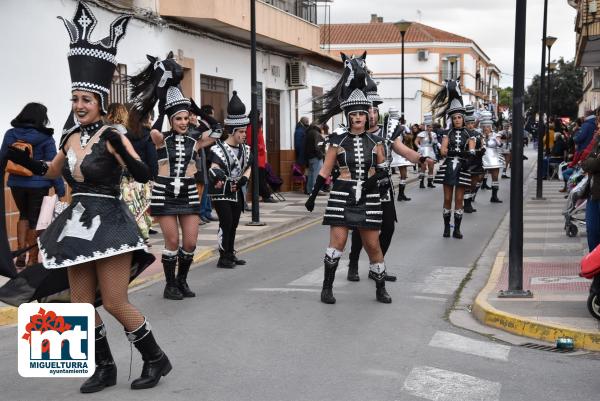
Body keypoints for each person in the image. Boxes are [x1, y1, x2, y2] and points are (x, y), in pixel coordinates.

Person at [6, 3, 169, 392]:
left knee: (114, 302)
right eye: (75, 99)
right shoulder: (69, 138)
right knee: (80, 306)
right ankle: (104, 367)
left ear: (99, 102)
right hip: (77, 224)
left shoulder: (113, 135)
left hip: (110, 223)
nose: (79, 106)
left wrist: (138, 147)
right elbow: (51, 174)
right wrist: (13, 155)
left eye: (86, 100)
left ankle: (155, 358)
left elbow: (144, 174)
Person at [135, 57, 219, 301]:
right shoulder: (162, 139)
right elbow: (153, 131)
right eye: (178, 119)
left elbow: (217, 130)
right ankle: (169, 284)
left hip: (189, 193)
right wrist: (164, 108)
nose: (183, 122)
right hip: (164, 193)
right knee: (172, 240)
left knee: (190, 243)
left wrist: (195, 108)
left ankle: (182, 280)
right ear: (171, 120)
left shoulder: (195, 140)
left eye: (185, 118)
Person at [305, 79, 393, 304]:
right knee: (338, 244)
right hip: (341, 196)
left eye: (361, 114)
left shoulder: (377, 141)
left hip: (370, 197)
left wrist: (375, 185)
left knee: (373, 245)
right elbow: (325, 170)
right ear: (348, 116)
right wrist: (313, 197)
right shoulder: (336, 141)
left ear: (367, 115)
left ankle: (380, 288)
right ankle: (327, 288)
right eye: (353, 114)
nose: (357, 118)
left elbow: (384, 170)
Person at [347, 85, 426, 283]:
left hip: (383, 186)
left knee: (388, 227)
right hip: (363, 186)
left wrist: (422, 158)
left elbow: (404, 151)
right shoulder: (355, 134)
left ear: (377, 112)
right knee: (359, 227)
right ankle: (353, 263)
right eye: (368, 111)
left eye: (374, 111)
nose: (372, 115)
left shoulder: (388, 132)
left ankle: (377, 266)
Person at [0, 103, 66, 269]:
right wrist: (60, 188)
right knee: (35, 220)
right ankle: (32, 259)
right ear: (42, 118)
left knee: (23, 215)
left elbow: (3, 157)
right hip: (39, 184)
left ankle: (21, 253)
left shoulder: (11, 134)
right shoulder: (45, 137)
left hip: (16, 183)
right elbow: (53, 166)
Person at [208, 92, 252, 269]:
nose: (244, 135)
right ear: (233, 132)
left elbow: (249, 166)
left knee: (234, 223)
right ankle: (222, 257)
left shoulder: (245, 149)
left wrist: (244, 180)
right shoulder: (218, 149)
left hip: (237, 189)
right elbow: (214, 167)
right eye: (241, 132)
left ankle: (230, 253)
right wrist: (218, 175)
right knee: (225, 222)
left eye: (245, 131)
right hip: (222, 191)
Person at [432, 80, 475, 238]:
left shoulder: (469, 134)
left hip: (462, 168)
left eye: (459, 117)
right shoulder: (447, 133)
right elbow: (443, 151)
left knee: (458, 199)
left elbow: (471, 151)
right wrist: (454, 152)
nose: (457, 120)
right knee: (447, 198)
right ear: (452, 119)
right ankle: (446, 228)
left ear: (463, 118)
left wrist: (466, 153)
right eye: (454, 117)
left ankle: (457, 229)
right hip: (449, 167)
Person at [247, 109, 277, 203]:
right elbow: (250, 142)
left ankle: (264, 195)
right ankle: (266, 196)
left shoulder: (256, 126)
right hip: (257, 156)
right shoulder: (251, 127)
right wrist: (260, 147)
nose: (260, 117)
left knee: (261, 177)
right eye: (259, 115)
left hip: (260, 156)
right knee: (260, 178)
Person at [389, 107, 416, 201]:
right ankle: (393, 194)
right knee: (387, 175)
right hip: (392, 152)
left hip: (399, 151)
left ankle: (401, 194)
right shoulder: (389, 128)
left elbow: (409, 135)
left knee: (403, 174)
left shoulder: (400, 127)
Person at [463, 104, 485, 213]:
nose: (471, 125)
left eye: (472, 123)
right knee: (467, 182)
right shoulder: (463, 134)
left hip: (477, 160)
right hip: (467, 160)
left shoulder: (478, 133)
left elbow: (481, 144)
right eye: (468, 123)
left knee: (475, 181)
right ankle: (466, 204)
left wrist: (482, 149)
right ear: (465, 124)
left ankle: (469, 200)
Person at [480, 112, 504, 203]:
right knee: (479, 178)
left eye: (487, 126)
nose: (486, 128)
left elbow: (499, 144)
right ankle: (471, 197)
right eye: (484, 126)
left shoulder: (496, 135)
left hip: (493, 158)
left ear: (490, 127)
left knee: (495, 178)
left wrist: (495, 139)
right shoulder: (479, 135)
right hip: (482, 158)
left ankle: (494, 197)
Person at [415, 113, 438, 189]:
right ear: (425, 126)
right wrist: (419, 147)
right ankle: (421, 183)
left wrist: (439, 145)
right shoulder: (421, 134)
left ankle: (430, 182)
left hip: (430, 150)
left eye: (431, 127)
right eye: (428, 127)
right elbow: (416, 141)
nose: (430, 128)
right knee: (423, 167)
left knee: (431, 167)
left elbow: (435, 142)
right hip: (423, 150)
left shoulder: (434, 134)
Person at [304, 123, 325, 193]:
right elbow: (318, 146)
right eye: (322, 124)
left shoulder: (309, 132)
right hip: (316, 157)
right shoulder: (316, 133)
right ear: (317, 125)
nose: (322, 126)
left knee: (311, 174)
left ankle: (309, 190)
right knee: (317, 174)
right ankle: (315, 190)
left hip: (310, 156)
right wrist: (320, 155)